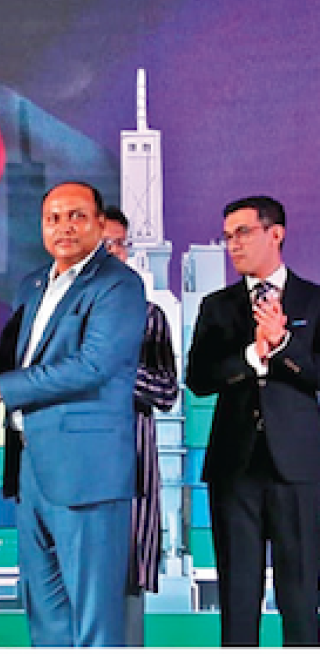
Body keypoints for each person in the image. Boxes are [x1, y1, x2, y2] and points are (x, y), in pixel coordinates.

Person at [0, 182, 146, 647]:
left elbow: (93, 365)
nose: (64, 227)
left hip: (87, 472)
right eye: (53, 219)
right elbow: (9, 359)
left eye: (77, 216)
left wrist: (2, 388)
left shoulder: (118, 284)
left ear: (100, 224)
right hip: (31, 468)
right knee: (46, 617)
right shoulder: (34, 284)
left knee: (94, 621)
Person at [186, 195, 320, 646]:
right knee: (238, 601)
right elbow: (199, 379)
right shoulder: (217, 306)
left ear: (275, 233)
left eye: (242, 233)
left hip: (298, 469)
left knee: (301, 600)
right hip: (235, 467)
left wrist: (282, 345)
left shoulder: (314, 301)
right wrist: (251, 355)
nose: (233, 245)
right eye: (227, 237)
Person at [103, 206, 179, 646]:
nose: (114, 252)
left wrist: (108, 365)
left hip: (130, 476)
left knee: (127, 603)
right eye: (104, 244)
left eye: (120, 244)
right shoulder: (55, 314)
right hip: (68, 477)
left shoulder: (149, 316)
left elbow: (166, 392)